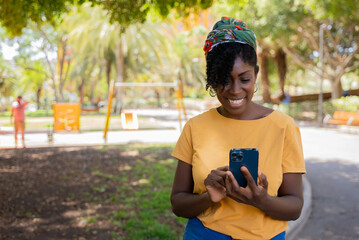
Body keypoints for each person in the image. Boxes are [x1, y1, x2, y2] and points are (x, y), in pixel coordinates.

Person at [170, 17, 306, 240]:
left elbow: (295, 206)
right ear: (212, 78)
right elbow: (178, 204)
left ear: (256, 73)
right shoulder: (195, 127)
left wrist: (261, 199)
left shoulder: (284, 127)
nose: (235, 90)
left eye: (244, 79)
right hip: (204, 234)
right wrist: (208, 197)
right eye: (224, 79)